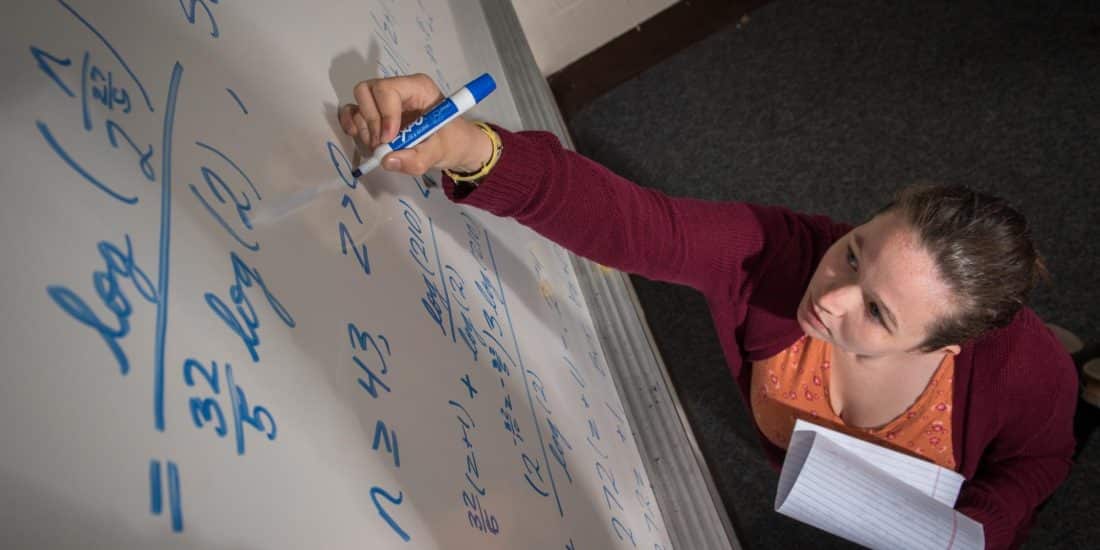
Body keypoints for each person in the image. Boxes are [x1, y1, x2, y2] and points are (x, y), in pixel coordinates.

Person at [338, 74, 1077, 549]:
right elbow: (634, 222)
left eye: (878, 315)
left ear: (948, 348)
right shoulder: (782, 254)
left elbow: (1039, 462)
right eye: (854, 251)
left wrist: (978, 532)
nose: (829, 296)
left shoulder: (1020, 367)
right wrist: (468, 145)